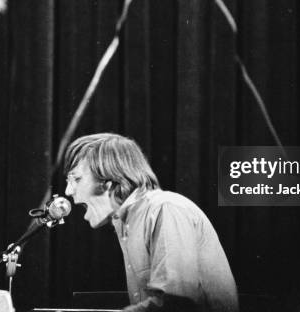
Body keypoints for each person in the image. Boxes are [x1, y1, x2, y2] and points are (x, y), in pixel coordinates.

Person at [64, 133, 239, 312]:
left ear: (108, 180)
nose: (68, 191)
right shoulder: (126, 222)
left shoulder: (165, 208)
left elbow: (175, 303)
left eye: (76, 179)